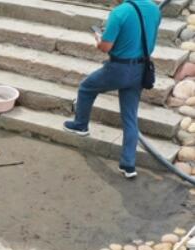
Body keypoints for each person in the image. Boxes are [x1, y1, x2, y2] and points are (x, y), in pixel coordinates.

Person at [63, 0, 160, 179]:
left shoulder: (119, 13)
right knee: (130, 117)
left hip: (118, 69)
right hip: (141, 69)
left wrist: (99, 39)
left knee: (86, 88)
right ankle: (128, 165)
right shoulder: (154, 9)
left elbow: (106, 47)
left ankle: (80, 125)